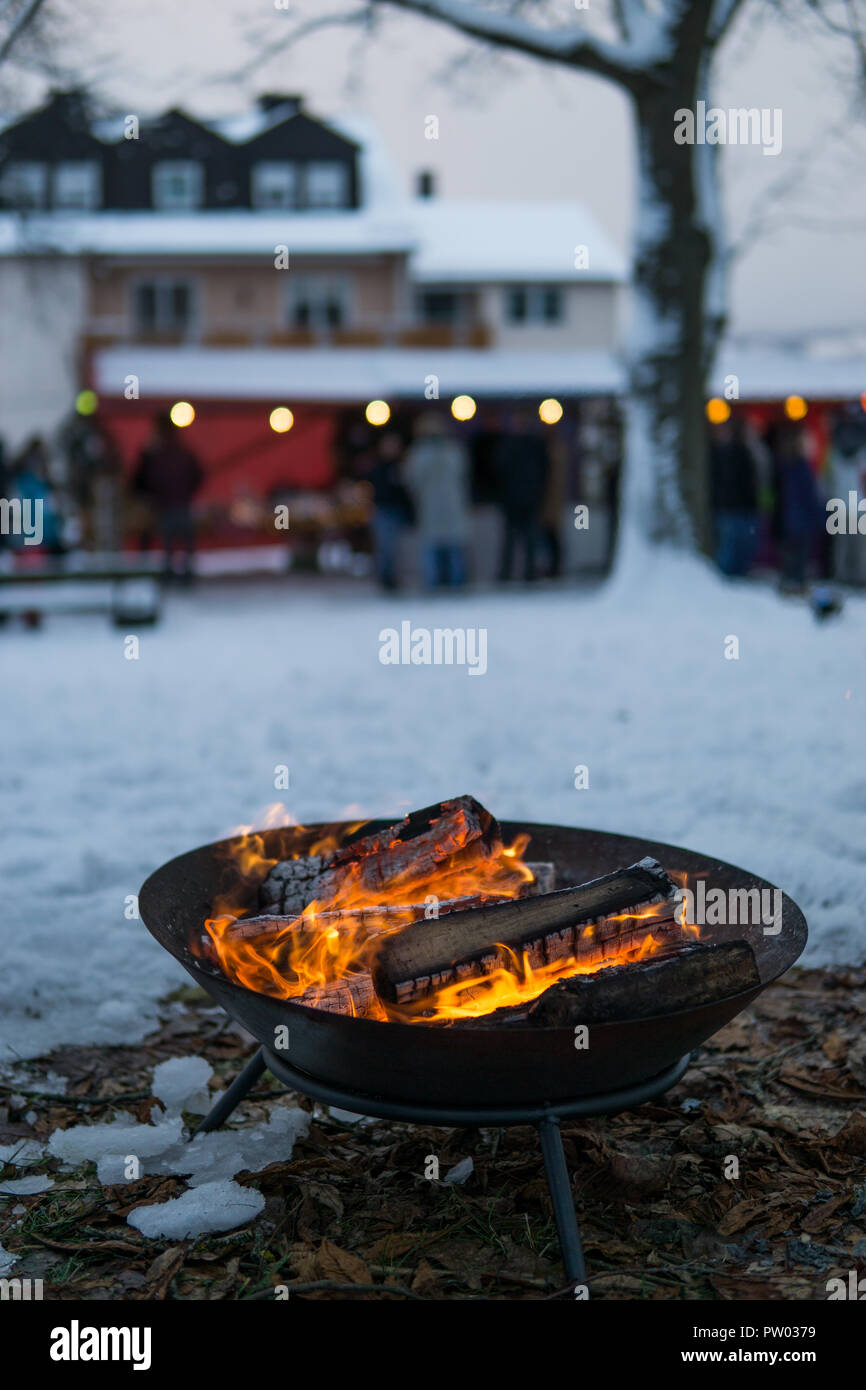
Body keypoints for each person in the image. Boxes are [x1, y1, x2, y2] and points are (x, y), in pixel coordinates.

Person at [403, 410, 471, 588]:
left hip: (444, 506)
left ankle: (449, 584)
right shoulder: (440, 452)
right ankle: (440, 584)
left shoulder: (448, 451)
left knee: (447, 549)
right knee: (438, 548)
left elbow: (411, 479)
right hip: (436, 506)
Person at [133, 411, 203, 582]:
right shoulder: (182, 451)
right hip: (179, 504)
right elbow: (198, 473)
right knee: (182, 545)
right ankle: (184, 575)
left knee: (170, 546)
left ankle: (173, 575)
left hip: (166, 505)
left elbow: (139, 480)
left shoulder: (155, 454)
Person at [494, 409, 549, 582]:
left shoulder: (515, 445)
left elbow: (499, 471)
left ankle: (514, 573)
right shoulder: (528, 445)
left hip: (520, 499)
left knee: (522, 539)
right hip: (521, 499)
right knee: (519, 539)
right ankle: (519, 573)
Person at [773, 424, 822, 592]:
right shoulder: (800, 467)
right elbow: (808, 496)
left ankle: (790, 582)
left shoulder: (785, 465)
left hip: (791, 519)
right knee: (798, 555)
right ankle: (794, 584)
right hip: (799, 519)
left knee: (793, 553)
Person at [709, 417, 761, 576]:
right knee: (727, 547)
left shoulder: (742, 453)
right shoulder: (714, 455)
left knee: (743, 546)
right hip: (726, 509)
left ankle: (738, 576)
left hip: (743, 508)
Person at [367, 429, 412, 591]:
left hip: (397, 512)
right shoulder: (377, 467)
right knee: (385, 547)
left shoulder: (403, 466)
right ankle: (385, 580)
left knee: (397, 549)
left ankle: (395, 578)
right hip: (383, 511)